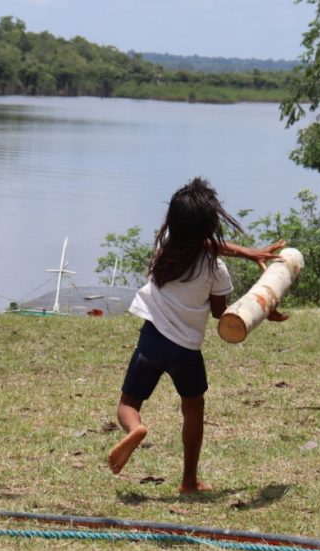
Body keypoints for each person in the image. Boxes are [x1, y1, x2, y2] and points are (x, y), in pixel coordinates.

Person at [107, 177, 288, 494]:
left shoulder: (163, 253)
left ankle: (135, 429)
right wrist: (261, 308)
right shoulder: (216, 269)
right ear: (210, 225)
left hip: (151, 340)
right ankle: (189, 481)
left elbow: (196, 243)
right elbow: (222, 314)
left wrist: (245, 252)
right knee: (193, 411)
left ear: (173, 222)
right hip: (186, 352)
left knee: (128, 403)